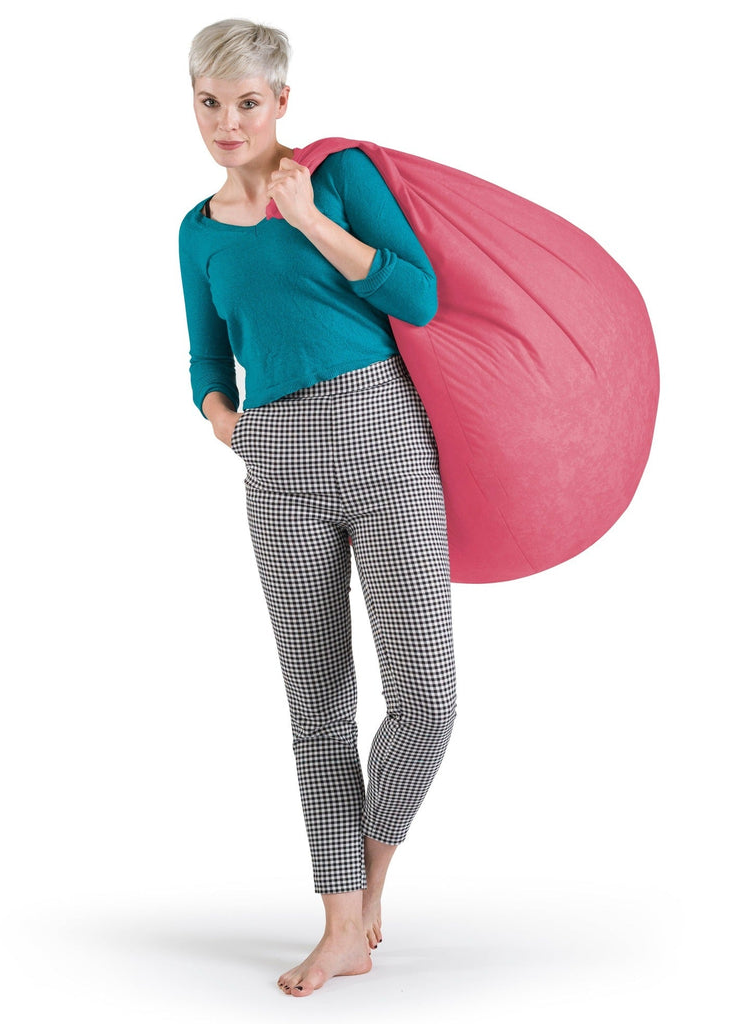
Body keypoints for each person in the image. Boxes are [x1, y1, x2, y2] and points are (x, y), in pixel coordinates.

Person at [178, 19, 457, 998]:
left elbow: (416, 297)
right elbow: (207, 355)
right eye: (209, 102)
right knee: (318, 708)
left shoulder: (336, 178)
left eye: (247, 102)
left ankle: (371, 881)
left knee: (426, 696)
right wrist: (226, 424)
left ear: (281, 102)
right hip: (278, 461)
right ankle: (342, 924)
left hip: (386, 437)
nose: (227, 122)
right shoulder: (197, 229)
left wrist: (307, 220)